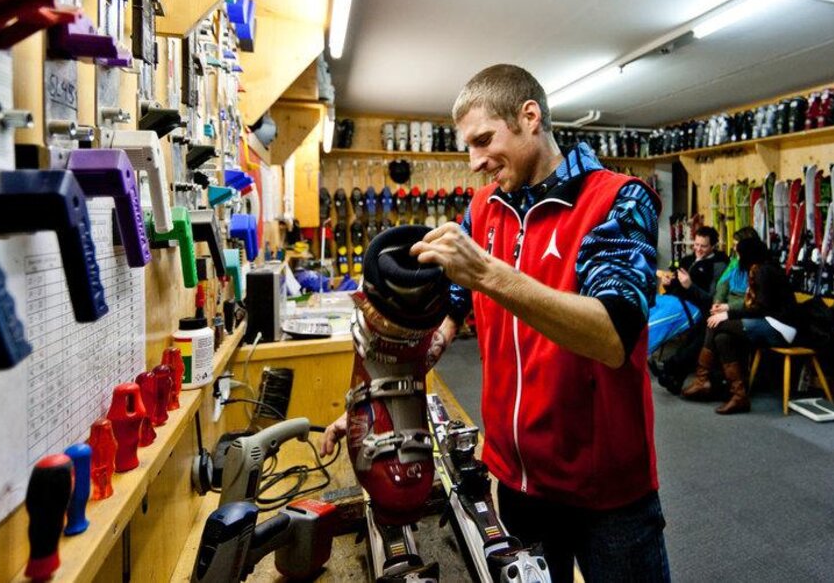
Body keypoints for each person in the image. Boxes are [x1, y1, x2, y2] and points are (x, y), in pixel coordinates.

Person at [321, 64, 669, 582]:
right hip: (515, 480)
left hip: (607, 493)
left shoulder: (617, 200)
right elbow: (452, 311)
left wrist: (487, 271)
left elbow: (613, 335)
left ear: (530, 117)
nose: (476, 162)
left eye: (484, 140)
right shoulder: (484, 209)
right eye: (467, 146)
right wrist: (381, 401)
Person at [682, 236, 800, 414]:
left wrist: (728, 314)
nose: (737, 258)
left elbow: (760, 308)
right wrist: (727, 312)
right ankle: (738, 395)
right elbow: (756, 308)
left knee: (716, 324)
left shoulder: (763, 272)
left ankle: (703, 379)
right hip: (769, 322)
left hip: (780, 327)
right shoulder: (761, 268)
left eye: (739, 254)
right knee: (722, 338)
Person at [650, 226, 728, 393]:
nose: (698, 249)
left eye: (703, 246)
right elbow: (676, 288)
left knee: (659, 323)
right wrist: (668, 284)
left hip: (697, 308)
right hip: (675, 301)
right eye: (696, 244)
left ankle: (661, 364)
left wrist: (690, 286)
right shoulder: (687, 260)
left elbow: (712, 299)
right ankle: (672, 374)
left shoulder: (719, 265)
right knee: (645, 308)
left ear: (713, 246)